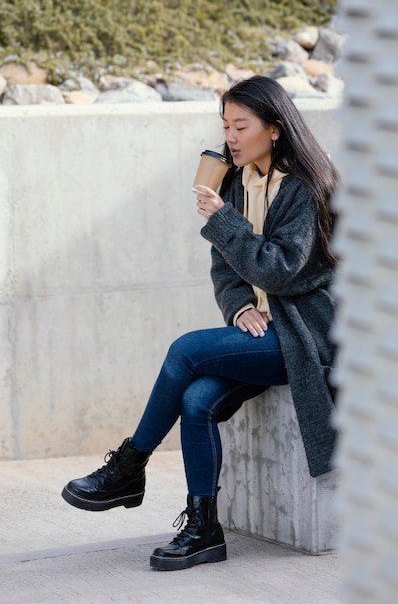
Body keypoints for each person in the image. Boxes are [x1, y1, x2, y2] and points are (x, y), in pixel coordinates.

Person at [61, 75, 339, 571]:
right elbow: (226, 270)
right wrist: (238, 308)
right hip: (259, 329)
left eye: (241, 125)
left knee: (185, 350)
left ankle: (129, 466)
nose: (229, 137)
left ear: (275, 129)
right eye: (225, 125)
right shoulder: (235, 181)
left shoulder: (305, 188)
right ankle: (203, 529)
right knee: (196, 400)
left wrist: (222, 222)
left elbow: (276, 267)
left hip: (304, 334)